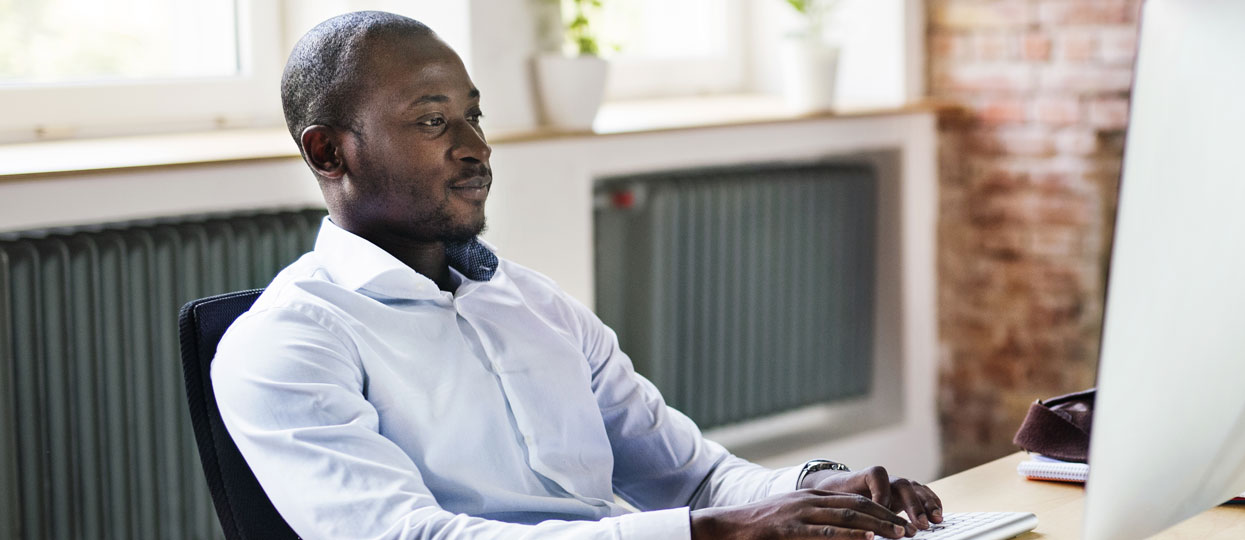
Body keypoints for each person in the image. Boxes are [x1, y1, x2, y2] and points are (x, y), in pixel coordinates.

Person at [212, 11, 940, 540]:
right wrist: (716, 532)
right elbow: (412, 539)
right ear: (328, 153)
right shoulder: (283, 346)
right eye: (433, 122)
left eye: (474, 115)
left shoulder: (534, 303)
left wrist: (815, 491)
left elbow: (696, 478)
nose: (476, 148)